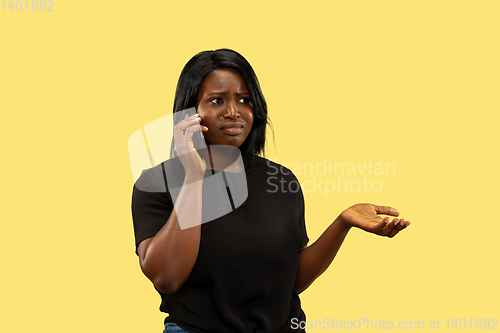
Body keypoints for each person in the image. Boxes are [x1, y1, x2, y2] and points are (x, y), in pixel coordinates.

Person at [131, 49, 410, 333]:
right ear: (188, 112)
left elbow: (292, 279)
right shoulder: (156, 182)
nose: (233, 112)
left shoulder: (280, 178)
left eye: (244, 100)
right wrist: (193, 175)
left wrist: (342, 223)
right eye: (217, 100)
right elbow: (167, 277)